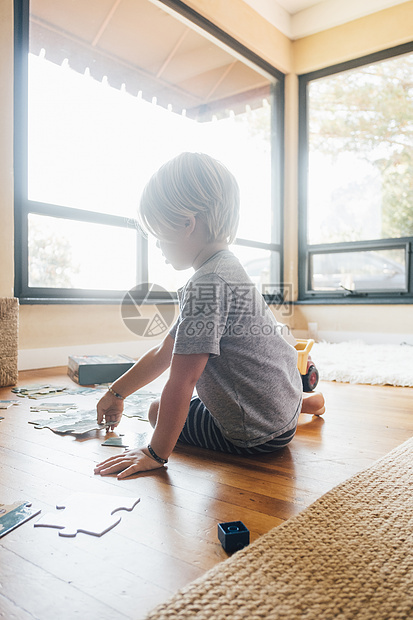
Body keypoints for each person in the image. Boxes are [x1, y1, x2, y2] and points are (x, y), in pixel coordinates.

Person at [94, 152, 325, 480]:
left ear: (187, 224)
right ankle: (306, 404)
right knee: (171, 407)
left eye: (159, 234)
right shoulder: (225, 268)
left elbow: (183, 379)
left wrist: (155, 453)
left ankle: (293, 414)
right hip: (278, 405)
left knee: (156, 412)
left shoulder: (208, 283)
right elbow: (166, 350)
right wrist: (116, 392)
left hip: (256, 435)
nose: (158, 246)